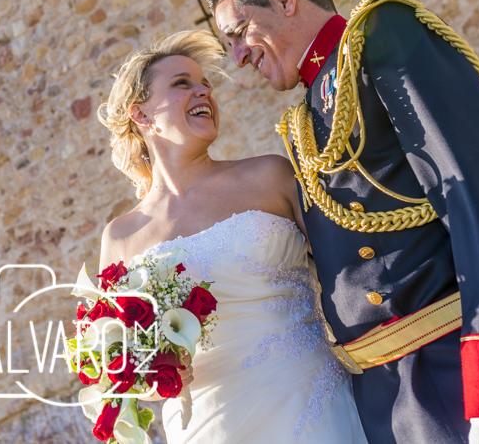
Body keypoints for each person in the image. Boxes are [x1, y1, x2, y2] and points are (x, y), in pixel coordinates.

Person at [209, 0, 479, 444]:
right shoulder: (307, 115)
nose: (238, 56)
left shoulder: (383, 35)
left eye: (238, 33)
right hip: (389, 404)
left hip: (456, 376)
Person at [96, 29, 368, 442]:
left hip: (314, 406)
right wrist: (148, 379)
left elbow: (353, 269)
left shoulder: (269, 175)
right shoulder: (121, 237)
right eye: (182, 83)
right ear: (141, 115)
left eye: (206, 84)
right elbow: (115, 364)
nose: (204, 92)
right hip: (205, 425)